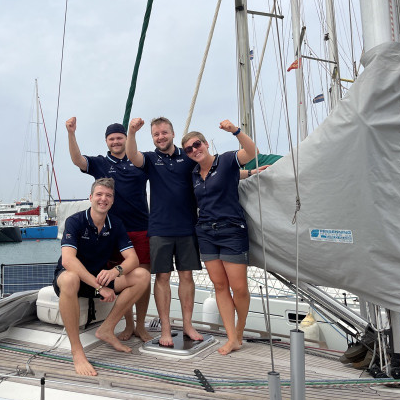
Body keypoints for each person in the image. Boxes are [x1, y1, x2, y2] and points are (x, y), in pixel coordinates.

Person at [65, 117, 152, 342]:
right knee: (123, 280)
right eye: (111, 139)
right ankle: (128, 325)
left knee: (142, 278)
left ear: (126, 139)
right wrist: (71, 133)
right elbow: (77, 160)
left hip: (140, 228)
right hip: (112, 231)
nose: (116, 142)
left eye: (119, 138)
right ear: (107, 142)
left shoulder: (139, 160)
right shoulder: (101, 163)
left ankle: (141, 325)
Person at [53, 178, 151, 376]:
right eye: (99, 194)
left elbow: (132, 259)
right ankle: (77, 351)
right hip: (74, 279)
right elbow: (68, 261)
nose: (103, 199)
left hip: (99, 280)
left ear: (113, 201)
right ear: (90, 198)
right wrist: (99, 287)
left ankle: (107, 329)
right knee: (70, 278)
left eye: (108, 195)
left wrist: (116, 272)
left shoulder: (115, 224)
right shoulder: (76, 221)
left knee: (142, 275)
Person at [181, 120, 260, 355]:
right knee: (219, 285)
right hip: (205, 232)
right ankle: (231, 337)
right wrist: (248, 174)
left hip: (231, 230)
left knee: (240, 288)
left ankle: (240, 329)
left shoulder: (224, 160)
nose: (195, 150)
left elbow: (251, 153)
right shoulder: (194, 174)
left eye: (197, 144)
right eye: (189, 149)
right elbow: (234, 176)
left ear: (205, 144)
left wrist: (235, 131)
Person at [126, 117, 203, 347]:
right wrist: (131, 132)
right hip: (159, 228)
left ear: (172, 133)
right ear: (153, 137)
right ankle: (166, 328)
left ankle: (188, 324)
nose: (160, 137)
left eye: (164, 133)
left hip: (187, 227)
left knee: (187, 276)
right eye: (156, 134)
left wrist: (248, 174)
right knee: (162, 277)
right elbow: (132, 155)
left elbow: (210, 171)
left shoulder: (188, 157)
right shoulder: (150, 159)